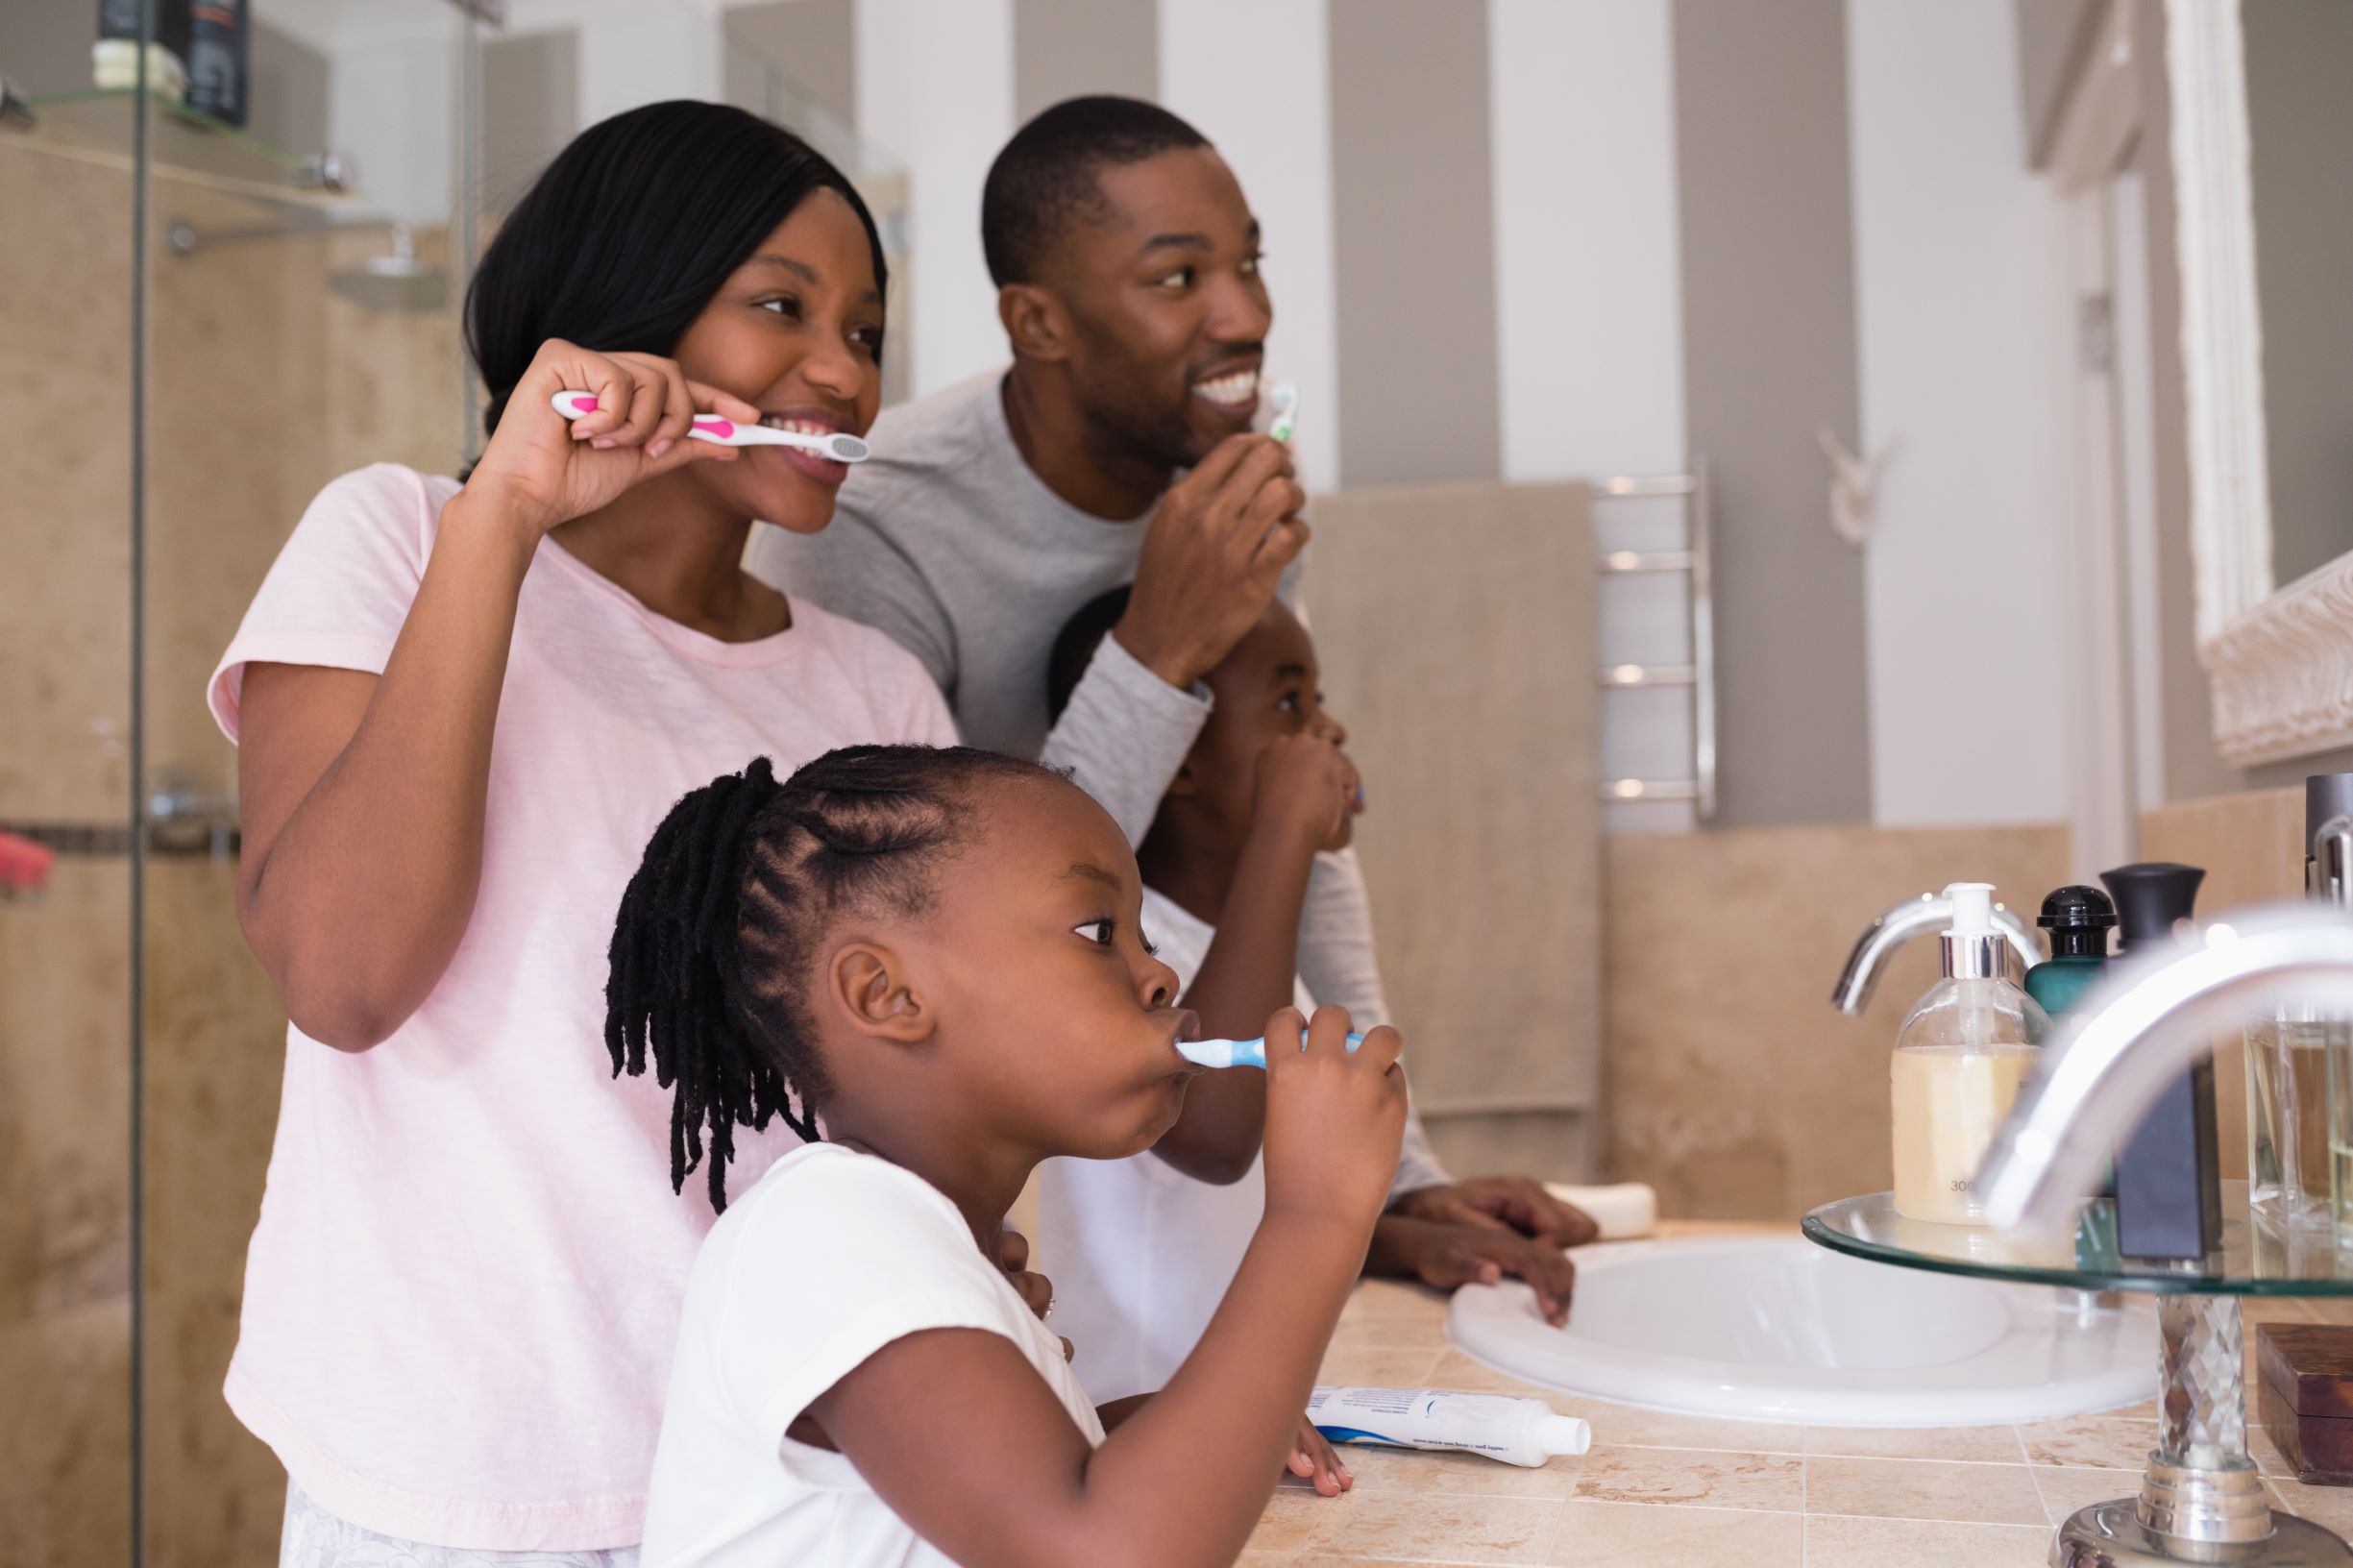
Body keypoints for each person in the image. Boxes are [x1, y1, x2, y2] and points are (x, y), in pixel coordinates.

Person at [209, 102, 966, 1563]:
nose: (844, 372)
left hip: (790, 1479)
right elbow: (345, 978)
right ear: (632, 302)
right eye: (780, 306)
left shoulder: (877, 689)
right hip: (459, 1478)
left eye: (866, 331)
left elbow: (925, 1115)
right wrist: (501, 518)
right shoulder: (394, 539)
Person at [750, 94, 1592, 1273]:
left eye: (1248, 263)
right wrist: (1157, 650)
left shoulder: (1223, 484)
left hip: (1188, 1127)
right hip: (960, 1210)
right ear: (1037, 322)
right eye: (1176, 278)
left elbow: (1290, 832)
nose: (1245, 315)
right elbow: (913, 918)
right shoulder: (875, 525)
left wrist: (1399, 1185)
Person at [615, 746, 1403, 1568]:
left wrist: (1190, 1432)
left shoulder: (934, 1250)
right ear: (887, 995)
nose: (1162, 976)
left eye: (1144, 936)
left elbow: (996, 1509)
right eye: (1099, 932)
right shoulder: (822, 1230)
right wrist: (1318, 1213)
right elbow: (1100, 1553)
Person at [1036, 589, 1588, 1402]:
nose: (1326, 731)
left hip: (1239, 1413)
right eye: (1290, 702)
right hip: (1140, 1422)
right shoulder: (1126, 952)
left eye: (1318, 700)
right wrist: (1285, 827)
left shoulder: (1255, 960)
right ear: (1178, 754)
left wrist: (1406, 1238)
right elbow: (1215, 1137)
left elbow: (1243, 1209)